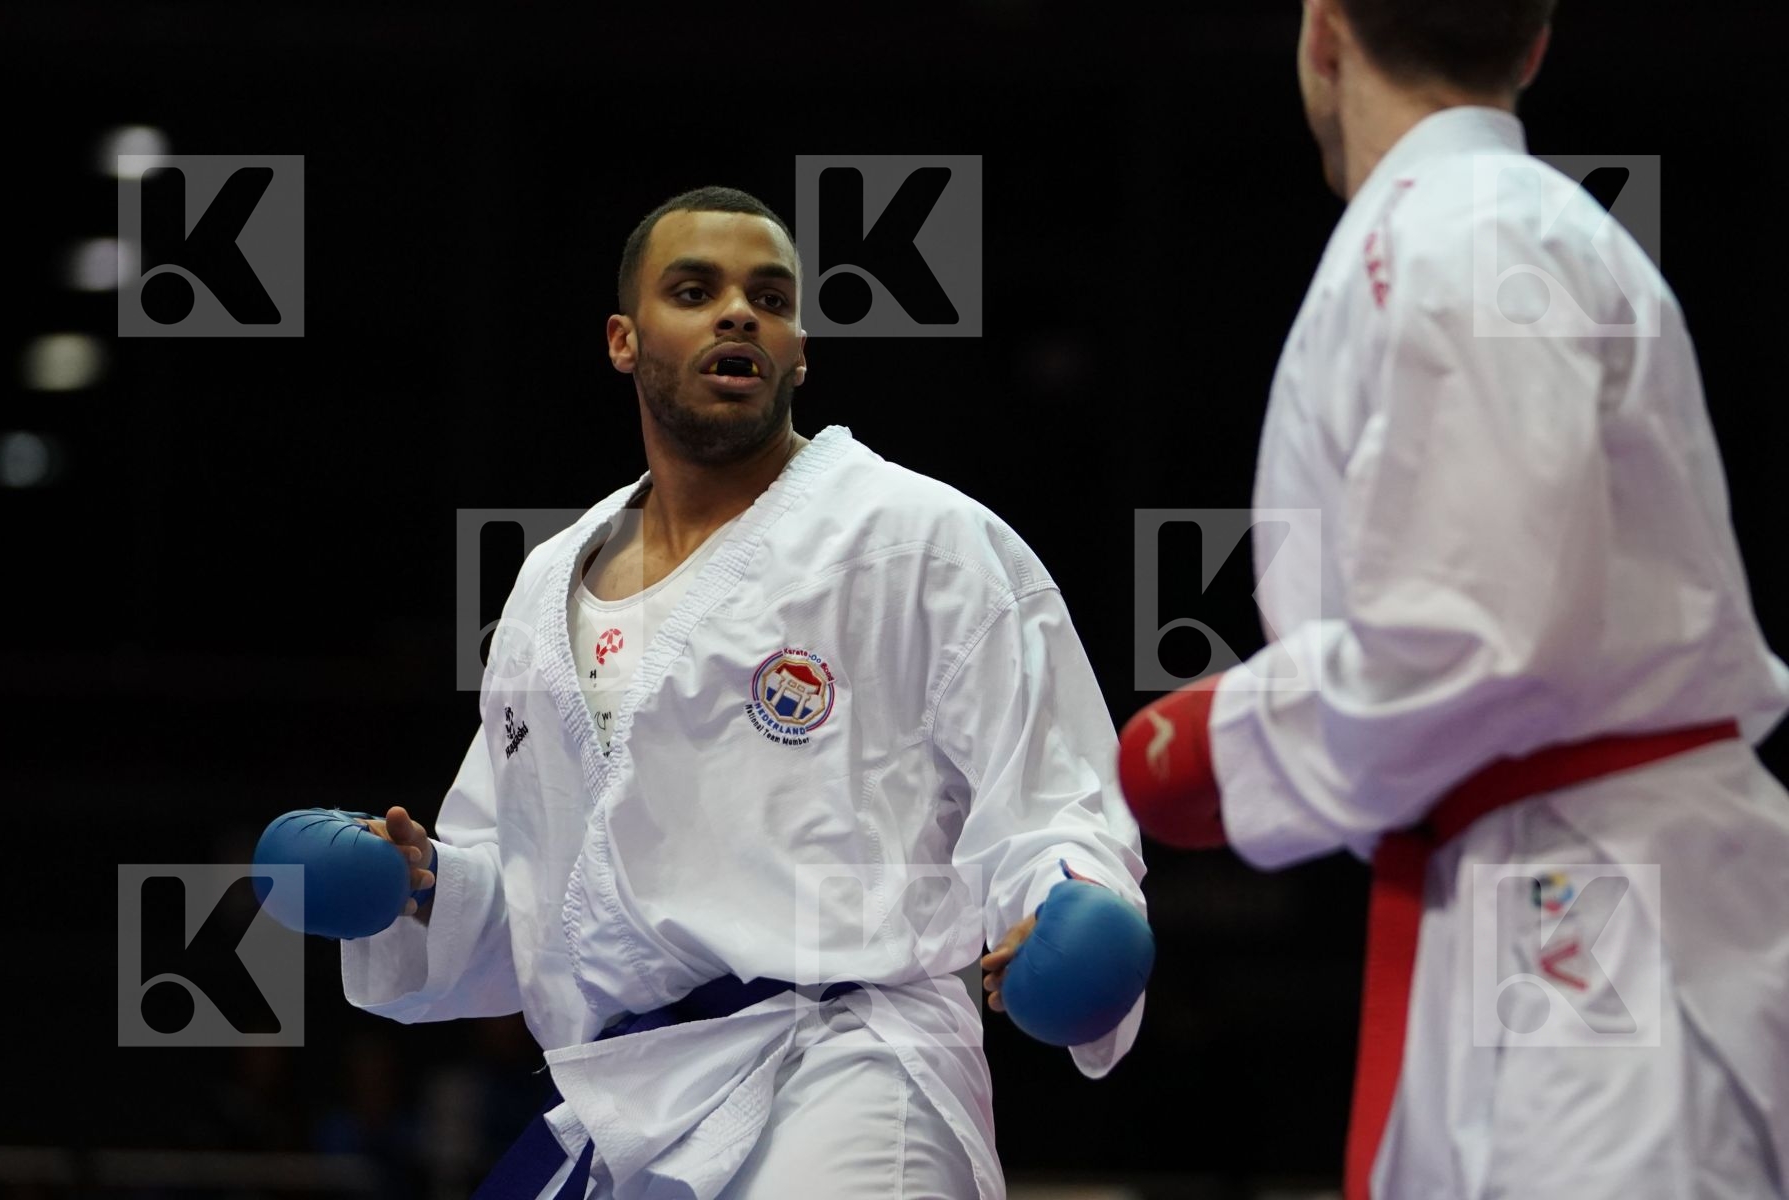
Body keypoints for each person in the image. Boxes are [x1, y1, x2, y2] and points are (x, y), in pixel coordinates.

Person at [341, 186, 1148, 1199]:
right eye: (696, 290)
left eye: (768, 297)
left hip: (848, 1072)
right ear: (623, 341)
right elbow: (545, 895)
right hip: (629, 1097)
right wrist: (425, 886)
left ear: (799, 350)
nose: (738, 313)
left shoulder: (919, 540)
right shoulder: (551, 583)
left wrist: (1071, 899)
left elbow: (1059, 795)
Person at [1117, 2, 1789, 1197]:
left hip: (1593, 905)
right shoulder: (1474, 230)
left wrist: (1233, 742)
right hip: (1521, 881)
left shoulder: (1474, 235)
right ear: (1533, 46)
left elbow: (1490, 629)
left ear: (1322, 34)